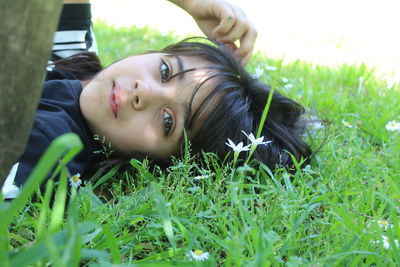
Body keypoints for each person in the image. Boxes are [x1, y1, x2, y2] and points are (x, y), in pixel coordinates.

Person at [2, 1, 312, 199]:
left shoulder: (47, 146)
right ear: (158, 52)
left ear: (158, 162)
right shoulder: (71, 47)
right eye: (165, 70)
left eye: (168, 121)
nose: (143, 92)